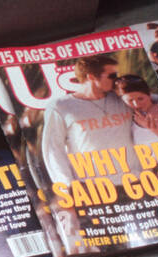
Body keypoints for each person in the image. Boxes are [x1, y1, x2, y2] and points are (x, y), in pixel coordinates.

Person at [41, 54, 139, 189]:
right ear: (91, 77)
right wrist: (67, 186)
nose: (117, 80)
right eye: (112, 76)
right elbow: (53, 148)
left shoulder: (123, 97)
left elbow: (154, 101)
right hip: (93, 187)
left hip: (136, 180)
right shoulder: (61, 106)